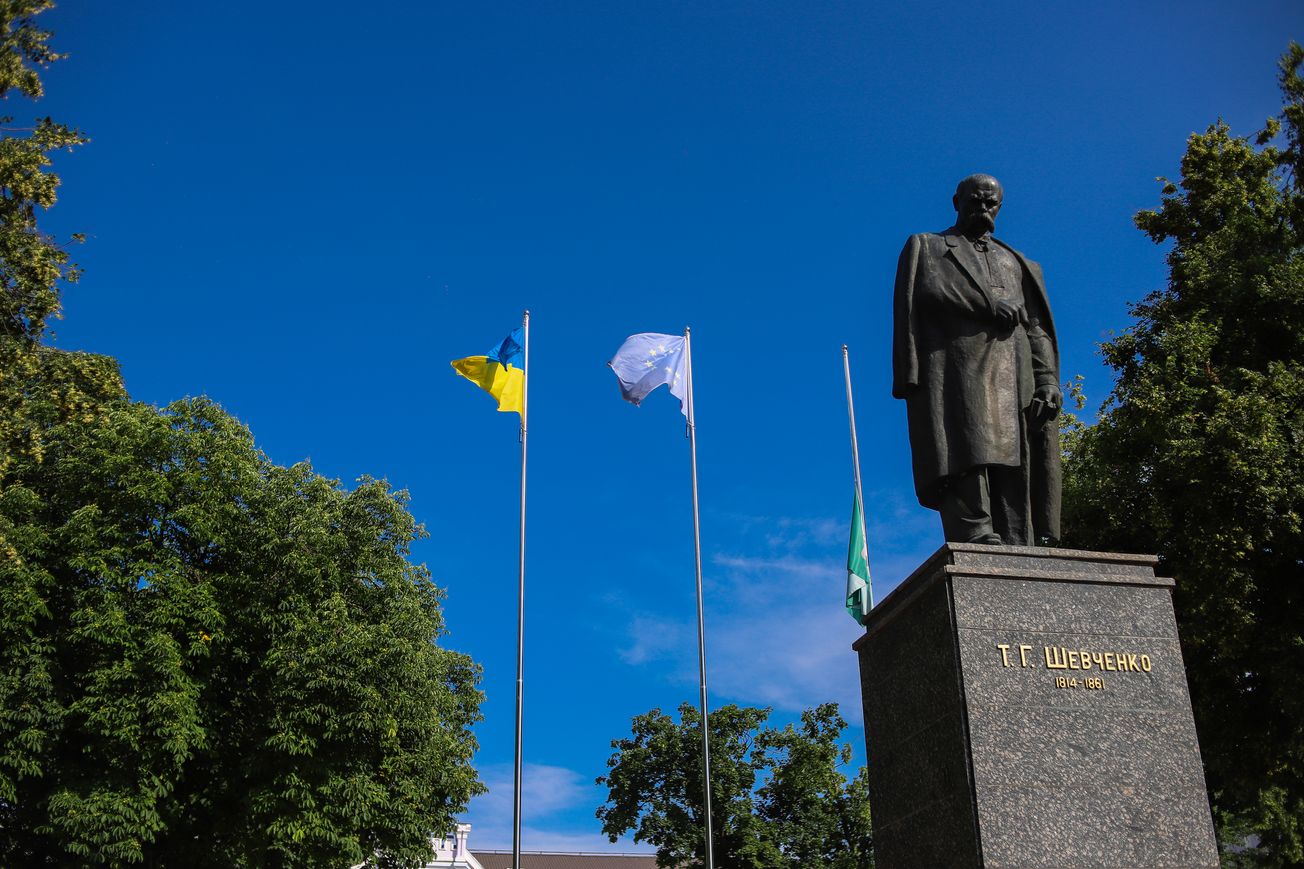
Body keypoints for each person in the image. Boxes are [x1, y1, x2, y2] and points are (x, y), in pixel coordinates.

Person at [892, 174, 1062, 546]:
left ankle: (1018, 536)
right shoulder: (930, 246)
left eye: (991, 203)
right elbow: (927, 291)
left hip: (1016, 373)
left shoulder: (1017, 262)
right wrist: (988, 306)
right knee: (969, 449)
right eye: (975, 201)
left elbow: (1036, 327)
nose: (983, 208)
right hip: (957, 368)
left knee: (1016, 459)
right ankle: (975, 530)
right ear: (957, 202)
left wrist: (1047, 379)